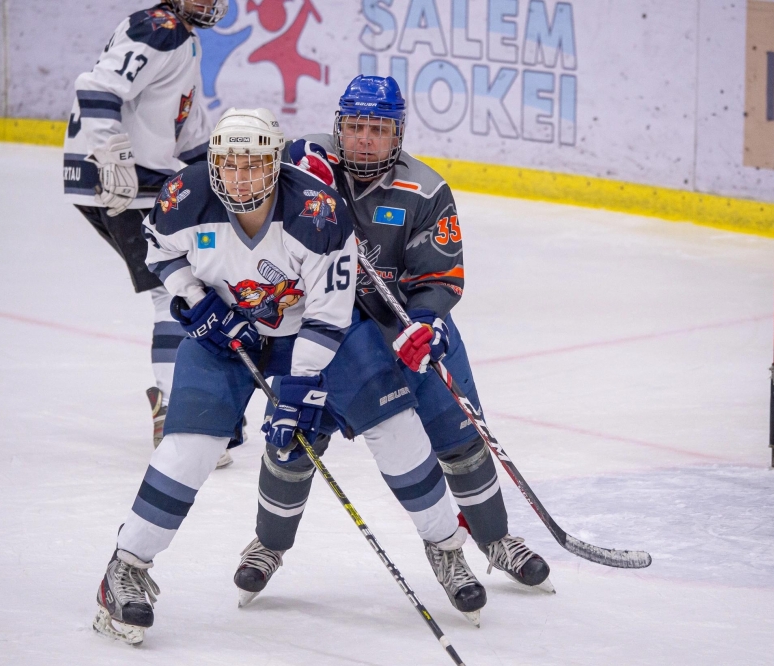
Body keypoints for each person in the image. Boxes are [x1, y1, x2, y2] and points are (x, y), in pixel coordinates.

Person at [93, 108, 484, 645]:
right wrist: (196, 300)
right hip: (227, 336)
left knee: (394, 424)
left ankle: (446, 548)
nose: (240, 177)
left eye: (254, 164)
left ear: (276, 164)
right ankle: (125, 569)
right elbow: (159, 252)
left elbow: (329, 314)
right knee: (190, 447)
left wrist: (298, 389)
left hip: (318, 333)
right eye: (230, 164)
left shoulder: (318, 213)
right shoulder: (184, 196)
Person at [288, 76, 552, 591]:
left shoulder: (425, 191)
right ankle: (269, 545)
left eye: (379, 130)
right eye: (356, 127)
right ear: (339, 128)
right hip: (328, 335)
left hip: (405, 328)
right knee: (298, 440)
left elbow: (438, 276)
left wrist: (427, 323)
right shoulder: (305, 168)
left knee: (460, 436)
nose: (366, 139)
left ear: (399, 134)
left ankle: (494, 538)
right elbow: (246, 169)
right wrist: (293, 169)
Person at [61, 0, 236, 464]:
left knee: (182, 283)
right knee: (176, 287)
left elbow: (186, 128)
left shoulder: (182, 36)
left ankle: (178, 406)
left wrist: (224, 174)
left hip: (130, 177)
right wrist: (111, 153)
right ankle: (178, 417)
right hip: (121, 180)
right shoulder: (161, 28)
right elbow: (95, 87)